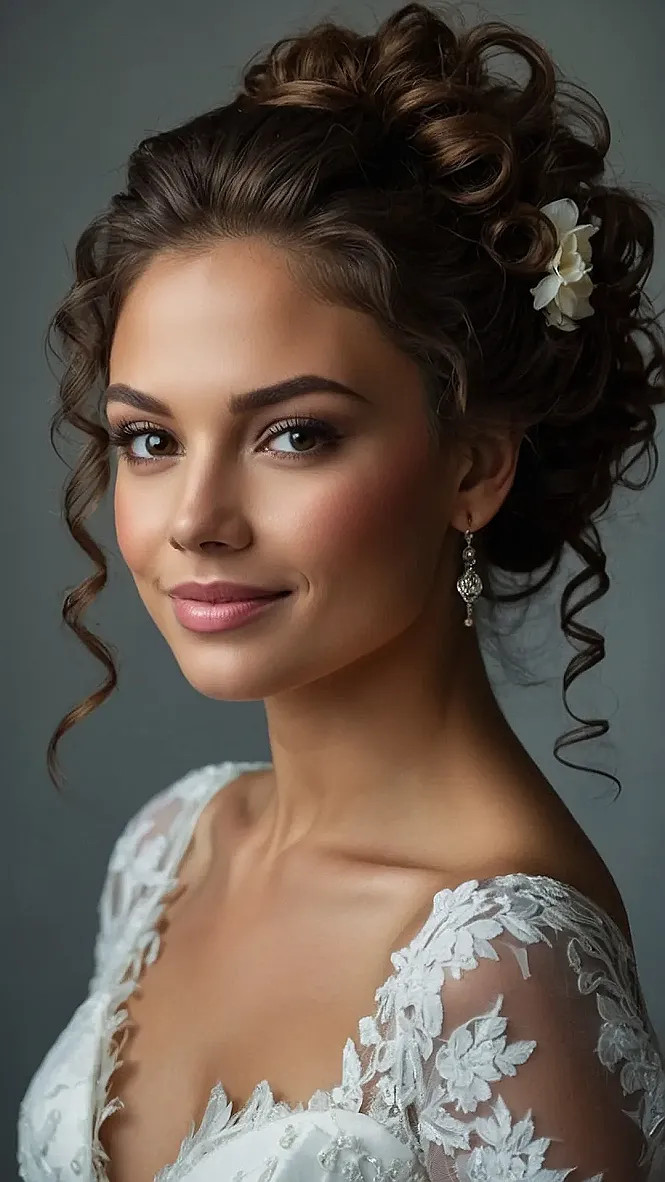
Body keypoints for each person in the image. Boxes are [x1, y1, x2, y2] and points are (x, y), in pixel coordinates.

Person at [17, 3, 665, 1180]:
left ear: (472, 467)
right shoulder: (172, 847)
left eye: (294, 434)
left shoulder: (504, 967)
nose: (196, 521)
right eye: (151, 441)